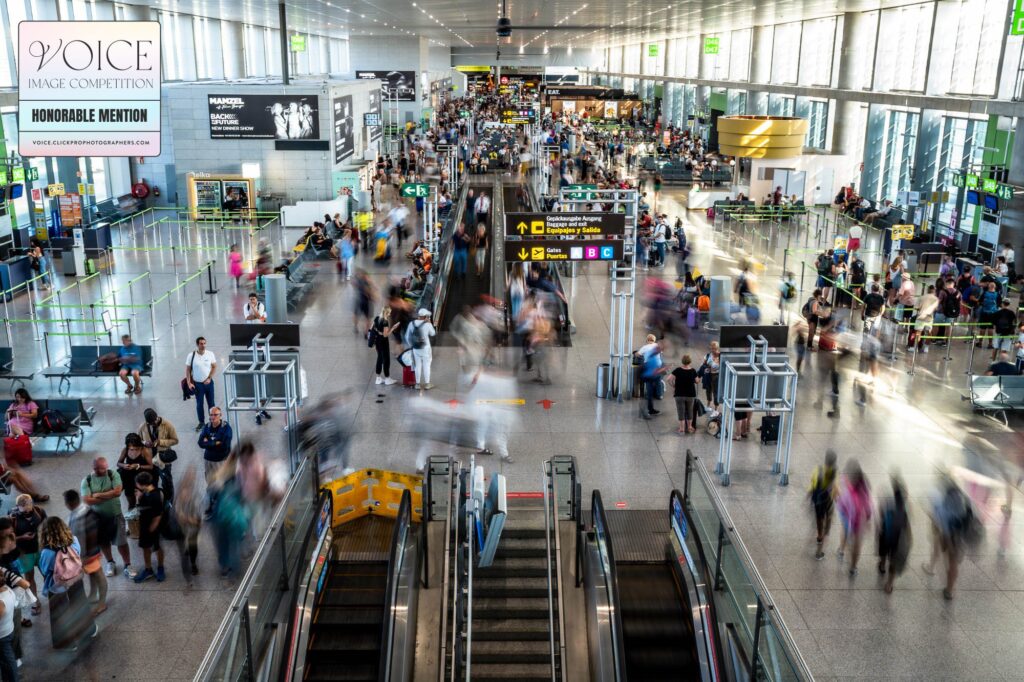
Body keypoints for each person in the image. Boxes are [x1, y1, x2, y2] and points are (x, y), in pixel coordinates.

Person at [38, 517, 96, 650]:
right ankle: (88, 630)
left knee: (60, 613)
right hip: (76, 578)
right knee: (80, 603)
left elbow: (45, 568)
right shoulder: (73, 540)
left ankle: (67, 643)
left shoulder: (47, 551)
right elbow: (78, 554)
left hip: (58, 585)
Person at [80, 457, 134, 579]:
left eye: (104, 468)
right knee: (104, 542)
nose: (102, 470)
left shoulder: (113, 474)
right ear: (94, 468)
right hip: (98, 518)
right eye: (99, 469)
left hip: (116, 515)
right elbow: (87, 500)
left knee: (122, 542)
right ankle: (110, 562)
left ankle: (127, 564)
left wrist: (98, 495)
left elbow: (117, 492)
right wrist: (109, 494)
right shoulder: (87, 480)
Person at [63, 490, 106, 615]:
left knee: (98, 576)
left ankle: (102, 603)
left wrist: (86, 555)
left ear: (69, 503)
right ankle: (93, 595)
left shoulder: (85, 514)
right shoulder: (76, 512)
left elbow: (92, 534)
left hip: (89, 553)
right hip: (82, 552)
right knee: (91, 573)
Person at [10, 496, 44, 622]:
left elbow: (46, 527)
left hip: (40, 549)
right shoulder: (13, 517)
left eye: (29, 510)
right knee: (29, 578)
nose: (27, 513)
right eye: (24, 511)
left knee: (47, 573)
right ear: (18, 507)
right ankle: (35, 602)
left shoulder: (39, 511)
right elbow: (9, 537)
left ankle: (52, 596)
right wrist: (22, 537)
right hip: (24, 553)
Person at [836, 462, 872, 576]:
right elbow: (868, 507)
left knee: (845, 532)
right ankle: (853, 567)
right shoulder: (864, 487)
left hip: (847, 517)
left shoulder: (846, 485)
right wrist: (868, 520)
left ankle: (841, 550)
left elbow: (840, 500)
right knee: (857, 544)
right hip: (858, 523)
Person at [877, 477, 911, 594]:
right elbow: (906, 523)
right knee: (893, 560)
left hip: (886, 532)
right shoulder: (905, 505)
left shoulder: (888, 499)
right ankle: (889, 584)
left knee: (883, 551)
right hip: (898, 537)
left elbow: (881, 514)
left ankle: (881, 566)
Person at [131, 473, 165, 583]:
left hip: (152, 527)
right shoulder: (146, 492)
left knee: (157, 547)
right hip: (145, 525)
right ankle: (148, 569)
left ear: (142, 484)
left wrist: (152, 528)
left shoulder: (154, 496)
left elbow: (158, 515)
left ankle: (160, 568)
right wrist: (139, 497)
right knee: (146, 547)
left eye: (137, 483)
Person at [139, 408, 179, 503]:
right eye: (150, 423)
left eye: (154, 422)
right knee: (152, 481)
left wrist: (161, 442)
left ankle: (169, 502)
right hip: (150, 459)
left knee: (166, 481)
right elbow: (139, 439)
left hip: (163, 458)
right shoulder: (143, 426)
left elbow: (175, 440)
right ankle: (155, 501)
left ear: (157, 418)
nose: (152, 424)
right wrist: (144, 442)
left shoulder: (168, 425)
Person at [199, 407, 233, 519]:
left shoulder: (226, 428)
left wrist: (208, 442)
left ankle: (223, 506)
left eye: (215, 415)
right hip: (208, 460)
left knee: (221, 482)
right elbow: (200, 443)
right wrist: (215, 443)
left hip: (221, 461)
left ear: (221, 415)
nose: (212, 417)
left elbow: (225, 446)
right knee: (210, 482)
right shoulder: (207, 427)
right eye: (211, 415)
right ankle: (212, 504)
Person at [174, 465, 202, 581]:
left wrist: (186, 518)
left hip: (192, 527)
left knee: (192, 546)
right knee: (183, 548)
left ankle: (193, 563)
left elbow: (197, 518)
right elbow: (176, 508)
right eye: (188, 474)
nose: (190, 477)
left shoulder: (196, 495)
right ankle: (187, 561)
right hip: (180, 527)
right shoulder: (179, 489)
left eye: (192, 475)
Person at [809, 450, 838, 560]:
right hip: (828, 502)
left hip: (818, 500)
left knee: (819, 518)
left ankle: (819, 535)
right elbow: (836, 489)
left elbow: (812, 483)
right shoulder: (834, 473)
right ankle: (819, 551)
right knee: (828, 524)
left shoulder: (818, 469)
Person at [185, 337, 217, 432]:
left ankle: (213, 421)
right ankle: (201, 422)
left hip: (208, 384)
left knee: (211, 404)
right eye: (201, 344)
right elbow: (188, 369)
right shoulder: (191, 356)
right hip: (198, 385)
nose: (203, 345)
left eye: (204, 343)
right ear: (197, 345)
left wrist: (209, 378)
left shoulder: (210, 354)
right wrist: (189, 382)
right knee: (199, 404)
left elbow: (214, 366)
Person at [116, 433, 153, 511]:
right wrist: (123, 466)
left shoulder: (144, 450)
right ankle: (131, 515)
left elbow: (151, 466)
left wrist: (138, 466)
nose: (132, 448)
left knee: (143, 501)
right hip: (128, 477)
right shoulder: (125, 450)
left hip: (141, 477)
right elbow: (118, 463)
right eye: (130, 446)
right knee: (130, 499)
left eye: (134, 447)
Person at [667, 355, 699, 434]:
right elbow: (697, 381)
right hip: (690, 395)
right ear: (690, 361)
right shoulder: (693, 371)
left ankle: (681, 428)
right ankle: (689, 427)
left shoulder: (678, 370)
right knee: (690, 411)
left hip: (679, 394)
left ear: (682, 361)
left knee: (680, 411)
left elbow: (668, 379)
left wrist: (673, 385)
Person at [406, 309, 436, 390]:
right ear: (425, 316)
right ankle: (427, 384)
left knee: (417, 366)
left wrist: (411, 345)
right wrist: (430, 323)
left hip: (416, 348)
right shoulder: (427, 324)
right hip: (426, 348)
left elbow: (407, 337)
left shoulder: (411, 324)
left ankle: (417, 384)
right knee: (427, 365)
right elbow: (433, 333)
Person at [638, 336, 666, 420]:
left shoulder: (645, 347)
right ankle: (658, 395)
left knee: (650, 390)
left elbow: (637, 354)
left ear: (647, 340)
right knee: (658, 383)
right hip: (653, 373)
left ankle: (649, 406)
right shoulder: (655, 347)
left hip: (650, 373)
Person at [370, 307, 397, 386]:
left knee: (379, 358)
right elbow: (385, 335)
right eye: (389, 312)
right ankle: (387, 378)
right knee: (386, 359)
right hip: (383, 342)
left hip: (377, 341)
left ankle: (378, 378)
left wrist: (378, 332)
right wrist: (393, 328)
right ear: (387, 313)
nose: (390, 314)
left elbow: (371, 328)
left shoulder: (377, 318)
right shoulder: (385, 322)